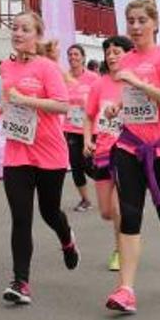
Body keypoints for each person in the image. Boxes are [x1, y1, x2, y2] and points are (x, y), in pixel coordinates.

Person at [0, 13, 77, 305]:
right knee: (21, 218)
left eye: (25, 29)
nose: (18, 33)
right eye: (15, 28)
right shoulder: (7, 67)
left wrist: (27, 101)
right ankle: (21, 282)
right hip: (17, 152)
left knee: (49, 212)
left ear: (37, 35)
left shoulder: (48, 68)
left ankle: (67, 239)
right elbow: (11, 101)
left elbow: (62, 106)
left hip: (49, 153)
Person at [105, 0, 160, 314]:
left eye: (142, 20)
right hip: (129, 146)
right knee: (129, 214)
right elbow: (129, 97)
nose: (136, 26)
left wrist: (140, 83)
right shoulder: (124, 60)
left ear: (155, 23)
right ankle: (126, 289)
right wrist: (118, 106)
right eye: (131, 20)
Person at [84, 35, 132, 273]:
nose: (111, 56)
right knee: (105, 211)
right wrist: (86, 140)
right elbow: (89, 116)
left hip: (127, 149)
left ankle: (121, 249)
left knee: (117, 207)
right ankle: (128, 224)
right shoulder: (99, 84)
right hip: (102, 150)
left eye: (117, 51)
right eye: (108, 52)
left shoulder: (134, 82)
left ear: (128, 54)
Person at [61, 43, 97, 212]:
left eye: (76, 54)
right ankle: (85, 200)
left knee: (90, 166)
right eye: (70, 54)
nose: (73, 57)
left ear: (83, 57)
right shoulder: (64, 78)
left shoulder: (93, 78)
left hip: (90, 129)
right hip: (70, 128)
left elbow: (99, 99)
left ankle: (112, 187)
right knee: (76, 166)